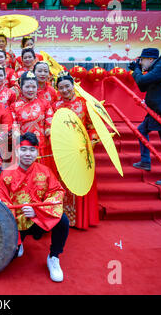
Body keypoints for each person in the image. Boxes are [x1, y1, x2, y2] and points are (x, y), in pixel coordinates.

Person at [0, 132, 68, 283]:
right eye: (23, 149)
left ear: (37, 152)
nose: (27, 154)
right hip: (16, 221)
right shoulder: (6, 174)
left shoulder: (45, 172)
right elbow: (2, 201)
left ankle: (54, 257)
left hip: (39, 219)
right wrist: (20, 212)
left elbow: (57, 193)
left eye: (32, 150)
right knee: (9, 258)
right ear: (16, 151)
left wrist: (38, 211)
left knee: (62, 221)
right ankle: (19, 243)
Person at [53, 71, 99, 229]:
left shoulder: (84, 103)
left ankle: (80, 220)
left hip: (81, 150)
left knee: (79, 183)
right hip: (63, 153)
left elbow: (92, 127)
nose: (65, 90)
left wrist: (91, 142)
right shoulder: (55, 106)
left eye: (67, 86)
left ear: (74, 86)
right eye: (61, 88)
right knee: (63, 183)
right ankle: (62, 218)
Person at [129, 48, 161, 186]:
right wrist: (138, 70)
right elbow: (143, 87)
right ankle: (145, 161)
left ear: (150, 59)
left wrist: (136, 70)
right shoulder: (157, 67)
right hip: (156, 111)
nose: (140, 63)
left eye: (142, 60)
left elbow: (141, 81)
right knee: (141, 131)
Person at [11, 71, 54, 171]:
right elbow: (14, 126)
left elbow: (50, 123)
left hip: (42, 148)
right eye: (27, 87)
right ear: (21, 88)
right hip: (23, 148)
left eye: (34, 87)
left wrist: (50, 134)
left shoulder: (45, 103)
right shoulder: (14, 106)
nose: (30, 90)